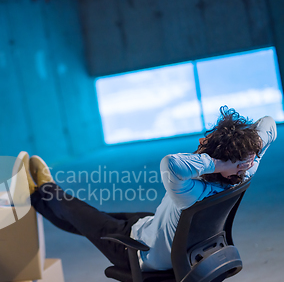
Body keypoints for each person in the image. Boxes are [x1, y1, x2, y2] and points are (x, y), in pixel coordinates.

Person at [19, 106, 277, 272]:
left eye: (206, 143)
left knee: (79, 212)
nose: (201, 141)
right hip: (164, 234)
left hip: (137, 251)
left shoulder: (189, 191)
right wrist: (245, 155)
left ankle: (41, 190)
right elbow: (269, 123)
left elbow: (171, 163)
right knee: (88, 219)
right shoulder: (244, 172)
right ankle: (39, 199)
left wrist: (218, 163)